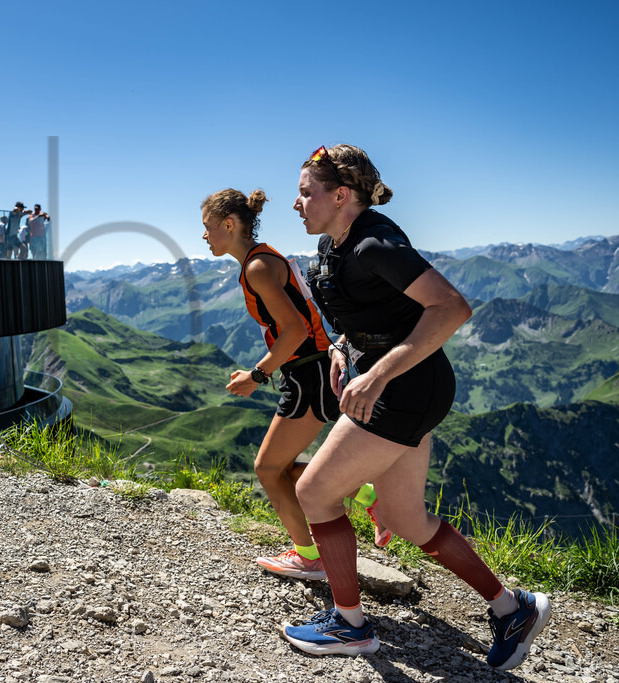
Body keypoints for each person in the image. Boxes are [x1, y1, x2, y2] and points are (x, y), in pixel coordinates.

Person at [282, 144, 550, 670]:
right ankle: (510, 609)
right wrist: (343, 348)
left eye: (305, 192)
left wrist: (377, 374)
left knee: (313, 490)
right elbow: (374, 315)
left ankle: (349, 624)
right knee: (406, 517)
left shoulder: (373, 244)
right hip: (411, 387)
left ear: (340, 195)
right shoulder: (338, 244)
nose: (297, 202)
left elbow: (452, 307)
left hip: (402, 389)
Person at [202, 187, 353, 582]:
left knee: (267, 469)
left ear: (229, 225)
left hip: (307, 373)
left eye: (208, 227)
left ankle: (309, 558)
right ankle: (365, 494)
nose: (204, 235)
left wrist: (258, 375)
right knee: (280, 467)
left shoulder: (257, 267)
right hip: (311, 370)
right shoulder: (264, 257)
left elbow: (294, 329)